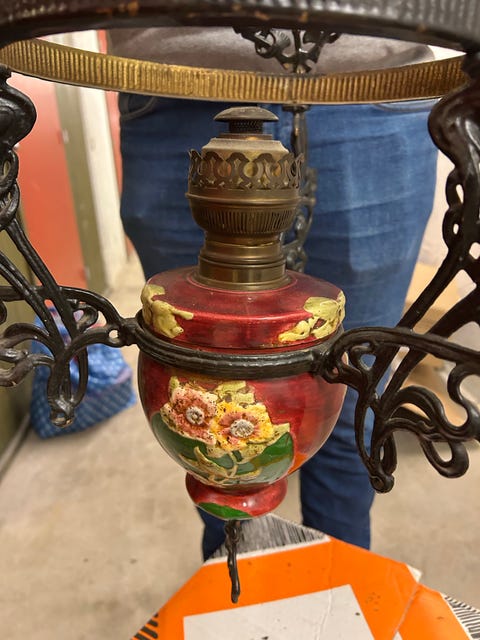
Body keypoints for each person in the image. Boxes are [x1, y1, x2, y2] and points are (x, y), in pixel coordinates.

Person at [109, 27, 438, 557]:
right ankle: (231, 576)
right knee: (201, 417)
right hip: (174, 85)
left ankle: (331, 585)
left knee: (354, 406)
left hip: (371, 88)